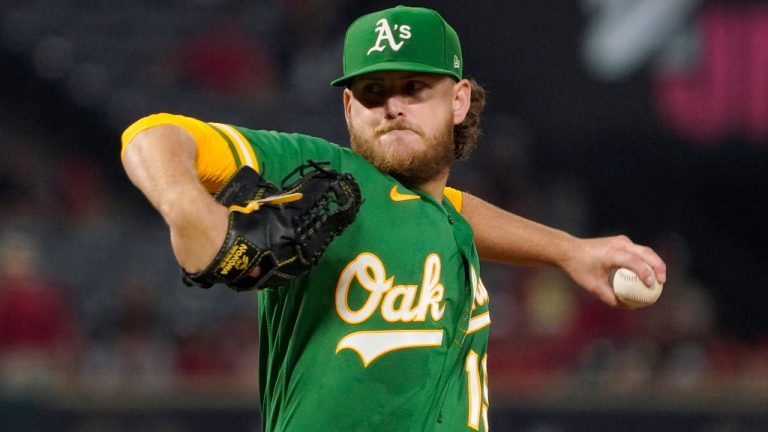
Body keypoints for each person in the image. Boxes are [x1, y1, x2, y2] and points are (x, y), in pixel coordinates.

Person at [120, 6, 666, 431]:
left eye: (414, 88)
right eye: (372, 91)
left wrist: (570, 250)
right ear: (348, 109)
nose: (392, 105)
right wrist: (190, 211)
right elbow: (152, 135)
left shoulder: (443, 216)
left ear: (458, 100)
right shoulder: (320, 172)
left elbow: (451, 210)